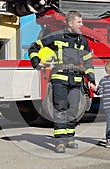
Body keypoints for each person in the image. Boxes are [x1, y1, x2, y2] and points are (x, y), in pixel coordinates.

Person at [28, 10, 96, 153]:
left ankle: (70, 137)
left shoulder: (83, 41)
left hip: (77, 80)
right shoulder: (57, 37)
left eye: (81, 22)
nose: (82, 25)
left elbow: (88, 62)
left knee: (74, 109)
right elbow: (34, 47)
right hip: (59, 79)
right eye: (79, 22)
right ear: (70, 23)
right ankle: (59, 141)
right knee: (60, 108)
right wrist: (36, 63)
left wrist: (91, 79)